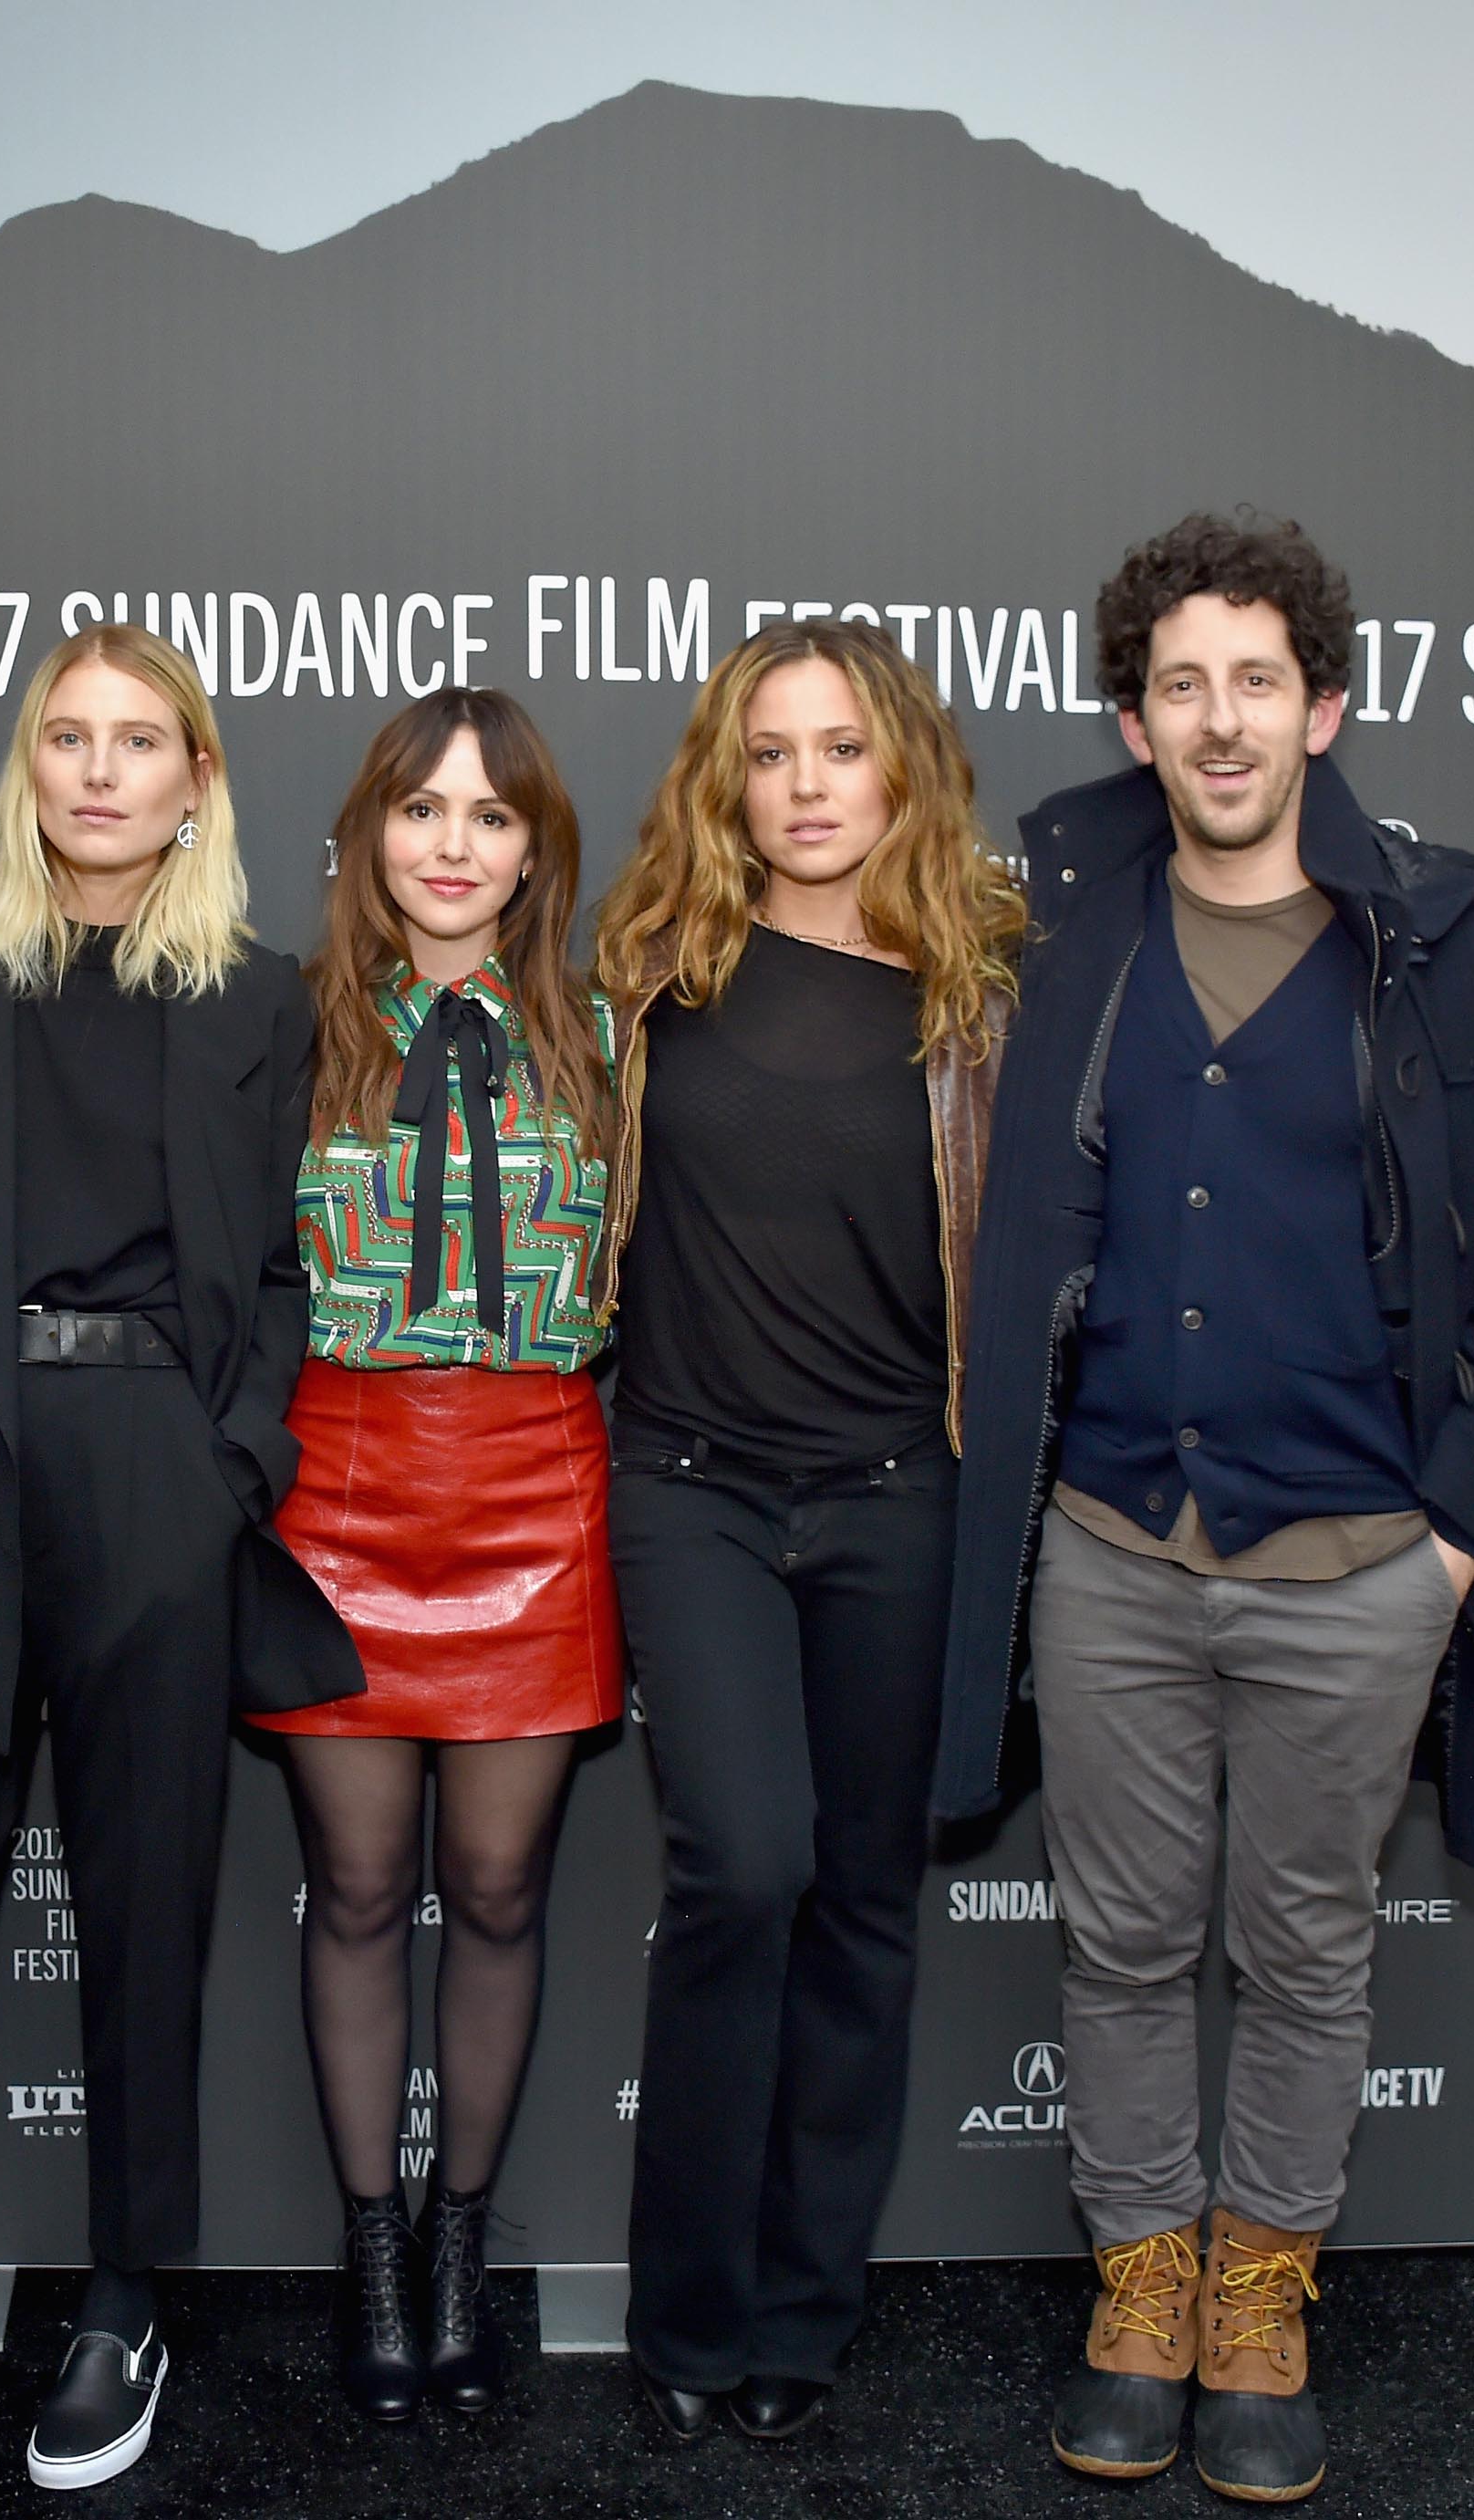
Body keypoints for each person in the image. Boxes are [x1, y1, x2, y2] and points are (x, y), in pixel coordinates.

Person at [936, 514, 1474, 2504]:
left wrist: (1451, 1543)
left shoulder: (1464, 947)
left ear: (1325, 704)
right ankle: (1142, 2277)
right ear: (1132, 722)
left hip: (1358, 1568)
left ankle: (1264, 2288)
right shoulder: (1057, 925)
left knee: (1308, 1955)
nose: (1219, 722)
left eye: (1255, 682)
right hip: (1115, 1547)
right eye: (1178, 686)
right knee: (1124, 1946)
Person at [0, 621, 358, 2491]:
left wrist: (229, 1470)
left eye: (141, 741)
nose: (101, 772)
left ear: (197, 779)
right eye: (68, 738)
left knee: (149, 1909)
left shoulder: (262, 998)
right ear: (28, 768)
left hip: (153, 1481)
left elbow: (281, 1274)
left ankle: (126, 2293)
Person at [592, 619, 1020, 2443]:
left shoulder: (983, 992)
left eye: (840, 750)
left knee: (859, 1905)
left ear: (900, 766)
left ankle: (801, 2309)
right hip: (687, 1488)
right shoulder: (650, 966)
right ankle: (683, 2312)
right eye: (770, 755)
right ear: (726, 778)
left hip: (897, 1505)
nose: (807, 787)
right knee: (742, 1871)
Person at [249, 689, 623, 2422]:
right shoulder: (289, 1022)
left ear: (535, 847)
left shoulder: (610, 1029)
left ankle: (464, 2232)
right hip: (338, 1486)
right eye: (421, 809)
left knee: (495, 1890)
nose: (452, 842)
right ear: (368, 834)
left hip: (538, 1489)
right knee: (352, 1891)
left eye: (490, 813)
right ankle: (373, 2239)